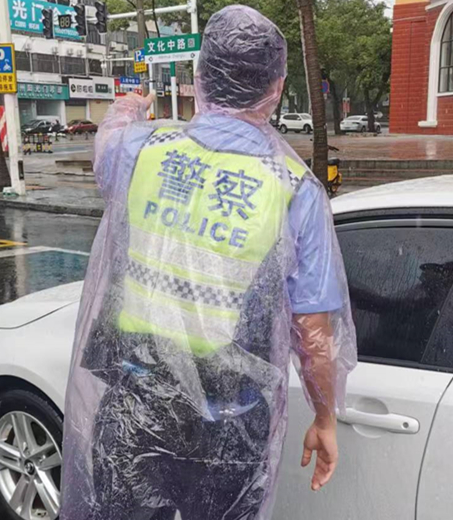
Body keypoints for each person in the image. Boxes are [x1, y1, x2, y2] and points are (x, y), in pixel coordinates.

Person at [61, 6, 357, 520]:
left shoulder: (141, 151)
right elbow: (313, 332)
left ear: (199, 77)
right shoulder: (294, 189)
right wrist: (325, 416)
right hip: (233, 422)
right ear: (277, 86)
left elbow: (105, 143)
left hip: (135, 401)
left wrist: (130, 106)